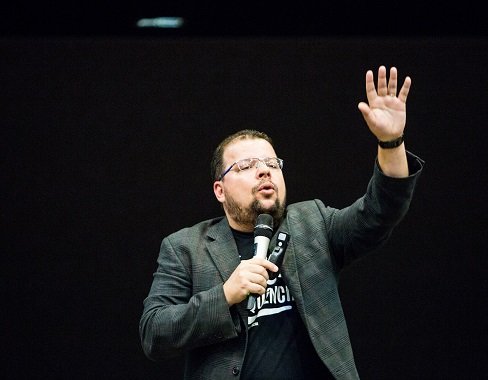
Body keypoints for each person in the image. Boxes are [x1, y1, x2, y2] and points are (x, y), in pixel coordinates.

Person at [139, 65, 425, 379]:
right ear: (219, 190)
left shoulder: (312, 222)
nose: (264, 171)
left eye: (272, 164)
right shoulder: (185, 248)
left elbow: (379, 213)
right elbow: (155, 333)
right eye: (247, 165)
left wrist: (391, 142)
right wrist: (225, 295)